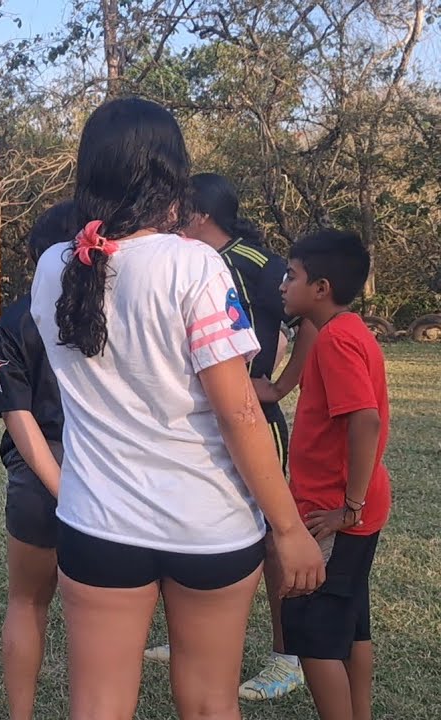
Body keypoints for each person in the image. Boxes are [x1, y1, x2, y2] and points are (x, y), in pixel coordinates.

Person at [28, 97, 324, 719]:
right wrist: (290, 530)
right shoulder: (194, 264)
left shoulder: (55, 266)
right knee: (211, 702)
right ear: (169, 174)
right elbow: (241, 413)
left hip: (98, 523)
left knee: (98, 705)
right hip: (208, 526)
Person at [143, 173, 315, 701]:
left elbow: (313, 319)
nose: (169, 219)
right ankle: (191, 634)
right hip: (204, 420)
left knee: (268, 533)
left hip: (251, 417)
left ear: (198, 215)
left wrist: (279, 386)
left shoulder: (255, 263)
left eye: (177, 210)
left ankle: (289, 657)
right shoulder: (182, 262)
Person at [278, 230, 391, 720]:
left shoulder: (336, 341)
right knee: (351, 626)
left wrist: (350, 506)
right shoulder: (350, 331)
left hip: (333, 512)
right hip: (349, 508)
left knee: (315, 636)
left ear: (321, 287)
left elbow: (364, 419)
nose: (283, 284)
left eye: (292, 275)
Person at [0, 200, 77, 720]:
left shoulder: (14, 320)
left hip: (38, 473)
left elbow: (16, 415)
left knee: (26, 602)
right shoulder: (112, 308)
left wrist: (56, 485)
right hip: (109, 471)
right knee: (98, 618)